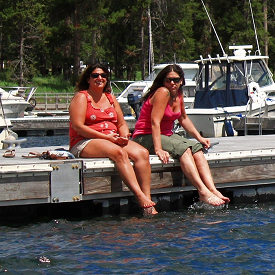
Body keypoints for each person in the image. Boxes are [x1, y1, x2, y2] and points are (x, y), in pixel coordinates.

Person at [132, 64, 229, 206]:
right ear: (163, 81)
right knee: (184, 150)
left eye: (176, 80)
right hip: (144, 136)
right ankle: (202, 192)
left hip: (166, 134)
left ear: (181, 81)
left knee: (197, 149)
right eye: (168, 80)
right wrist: (158, 148)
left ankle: (212, 189)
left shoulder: (178, 94)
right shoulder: (162, 92)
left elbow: (183, 118)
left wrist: (199, 138)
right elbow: (154, 122)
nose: (172, 83)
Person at [69, 64, 157, 215]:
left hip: (111, 139)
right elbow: (78, 127)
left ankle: (148, 200)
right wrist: (107, 137)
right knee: (119, 153)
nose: (100, 78)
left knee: (142, 153)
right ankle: (140, 197)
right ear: (88, 79)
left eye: (103, 75)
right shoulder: (82, 97)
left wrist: (124, 136)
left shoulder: (110, 98)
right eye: (95, 75)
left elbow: (121, 124)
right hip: (84, 141)